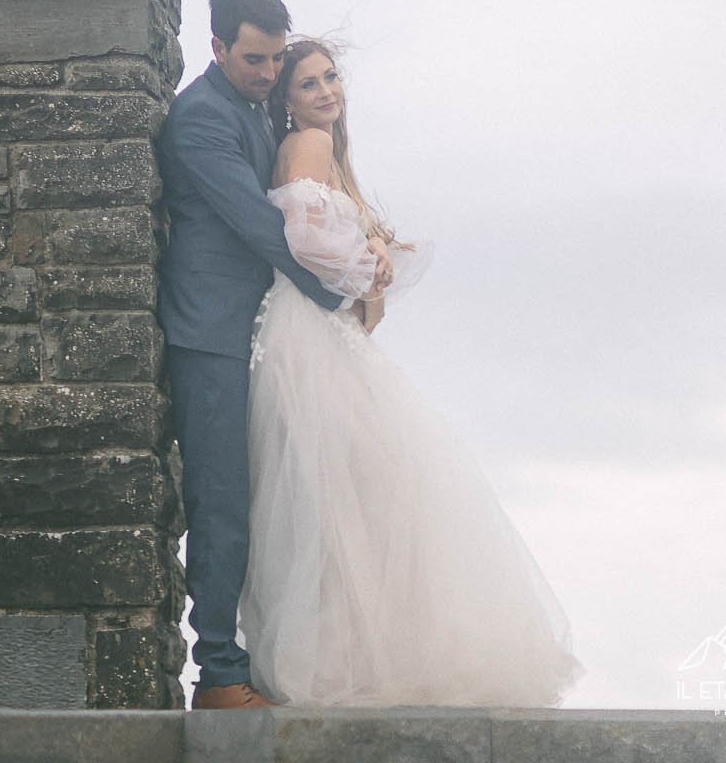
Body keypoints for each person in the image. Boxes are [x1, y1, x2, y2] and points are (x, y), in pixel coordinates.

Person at [240, 37, 585, 707]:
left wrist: (370, 247)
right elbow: (306, 241)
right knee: (344, 500)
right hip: (307, 341)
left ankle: (354, 659)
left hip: (328, 336)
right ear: (288, 101)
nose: (326, 93)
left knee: (358, 503)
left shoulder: (331, 154)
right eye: (308, 84)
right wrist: (368, 258)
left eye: (330, 77)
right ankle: (338, 663)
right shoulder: (307, 145)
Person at [156, 0, 392, 709]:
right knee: (221, 500)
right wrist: (332, 291)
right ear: (219, 46)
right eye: (254, 60)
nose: (268, 74)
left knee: (274, 497)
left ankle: (261, 655)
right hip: (212, 335)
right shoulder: (200, 119)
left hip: (257, 333)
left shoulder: (259, 113)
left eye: (275, 59)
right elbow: (259, 225)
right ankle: (220, 675)